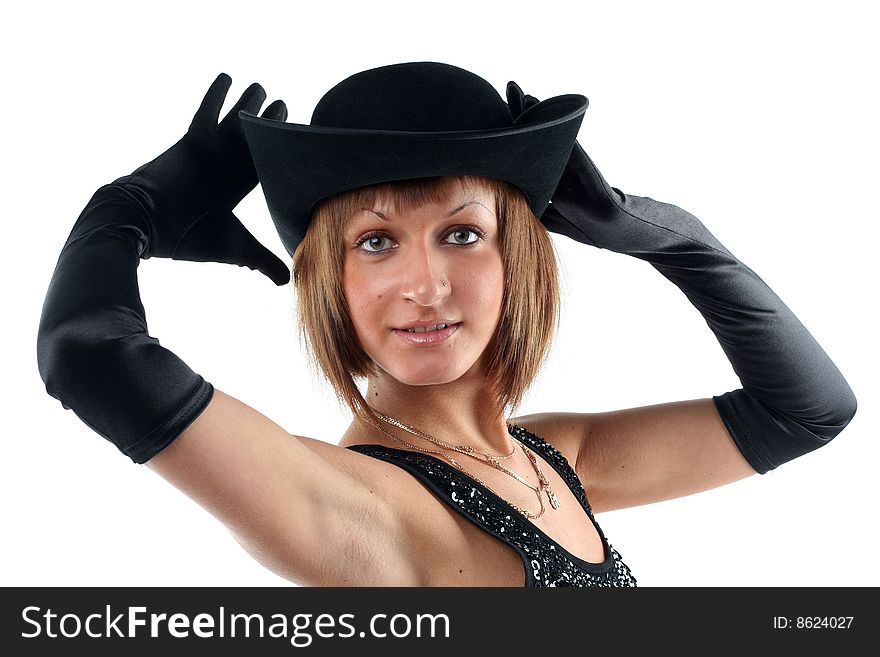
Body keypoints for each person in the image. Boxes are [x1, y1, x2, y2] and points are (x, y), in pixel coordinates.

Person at [36, 62, 857, 587]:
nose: (424, 284)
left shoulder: (551, 460)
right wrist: (125, 213)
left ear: (518, 259)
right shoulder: (363, 503)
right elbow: (87, 355)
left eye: (462, 233)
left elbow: (808, 410)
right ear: (336, 279)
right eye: (376, 241)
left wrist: (676, 242)